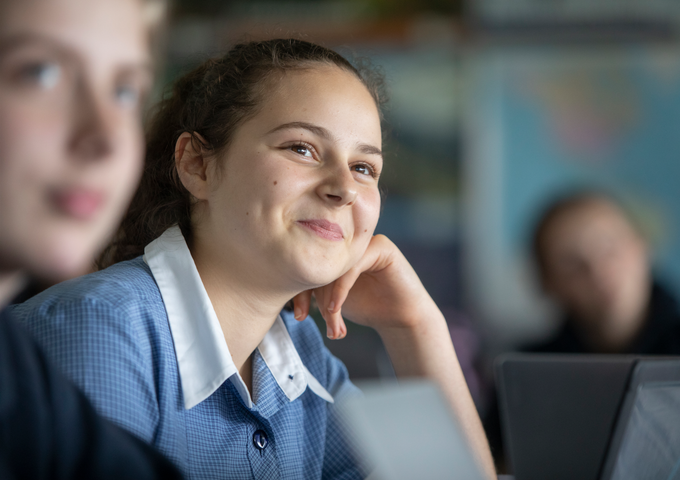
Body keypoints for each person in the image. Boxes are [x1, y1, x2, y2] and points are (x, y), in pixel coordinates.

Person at [11, 39, 496, 479]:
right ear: (197, 166)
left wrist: (413, 324)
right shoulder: (98, 330)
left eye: (364, 167)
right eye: (302, 148)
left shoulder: (299, 354)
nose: (345, 188)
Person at [0, 0, 182, 477]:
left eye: (125, 91)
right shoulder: (96, 319)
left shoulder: (17, 369)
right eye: (39, 73)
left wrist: (408, 325)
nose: (105, 136)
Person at [527, 191, 680, 355]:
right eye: (570, 263)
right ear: (547, 282)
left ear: (642, 247)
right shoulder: (524, 372)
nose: (598, 272)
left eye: (609, 247)